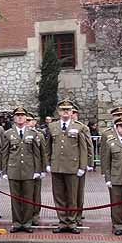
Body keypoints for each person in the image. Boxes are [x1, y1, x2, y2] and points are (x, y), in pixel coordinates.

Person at [46, 100, 89, 234]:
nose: (65, 112)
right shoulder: (52, 127)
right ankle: (62, 221)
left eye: (68, 110)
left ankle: (72, 222)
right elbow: (48, 147)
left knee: (72, 196)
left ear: (72, 112)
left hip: (72, 166)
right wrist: (48, 163)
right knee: (59, 196)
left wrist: (82, 166)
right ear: (59, 112)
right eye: (63, 110)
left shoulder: (79, 127)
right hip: (57, 166)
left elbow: (83, 148)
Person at [4, 107, 43, 233]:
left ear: (26, 118)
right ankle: (16, 222)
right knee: (15, 198)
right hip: (14, 169)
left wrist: (38, 170)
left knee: (28, 198)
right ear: (14, 118)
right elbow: (5, 153)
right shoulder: (8, 134)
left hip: (29, 169)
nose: (20, 117)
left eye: (22, 115)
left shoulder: (33, 133)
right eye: (17, 115)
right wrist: (4, 171)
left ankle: (27, 222)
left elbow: (36, 154)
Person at [70, 104, 94, 226]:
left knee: (78, 191)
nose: (72, 115)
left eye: (74, 113)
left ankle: (78, 214)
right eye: (70, 112)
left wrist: (89, 163)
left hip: (79, 163)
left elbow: (89, 146)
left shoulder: (82, 127)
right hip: (67, 164)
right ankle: (69, 215)